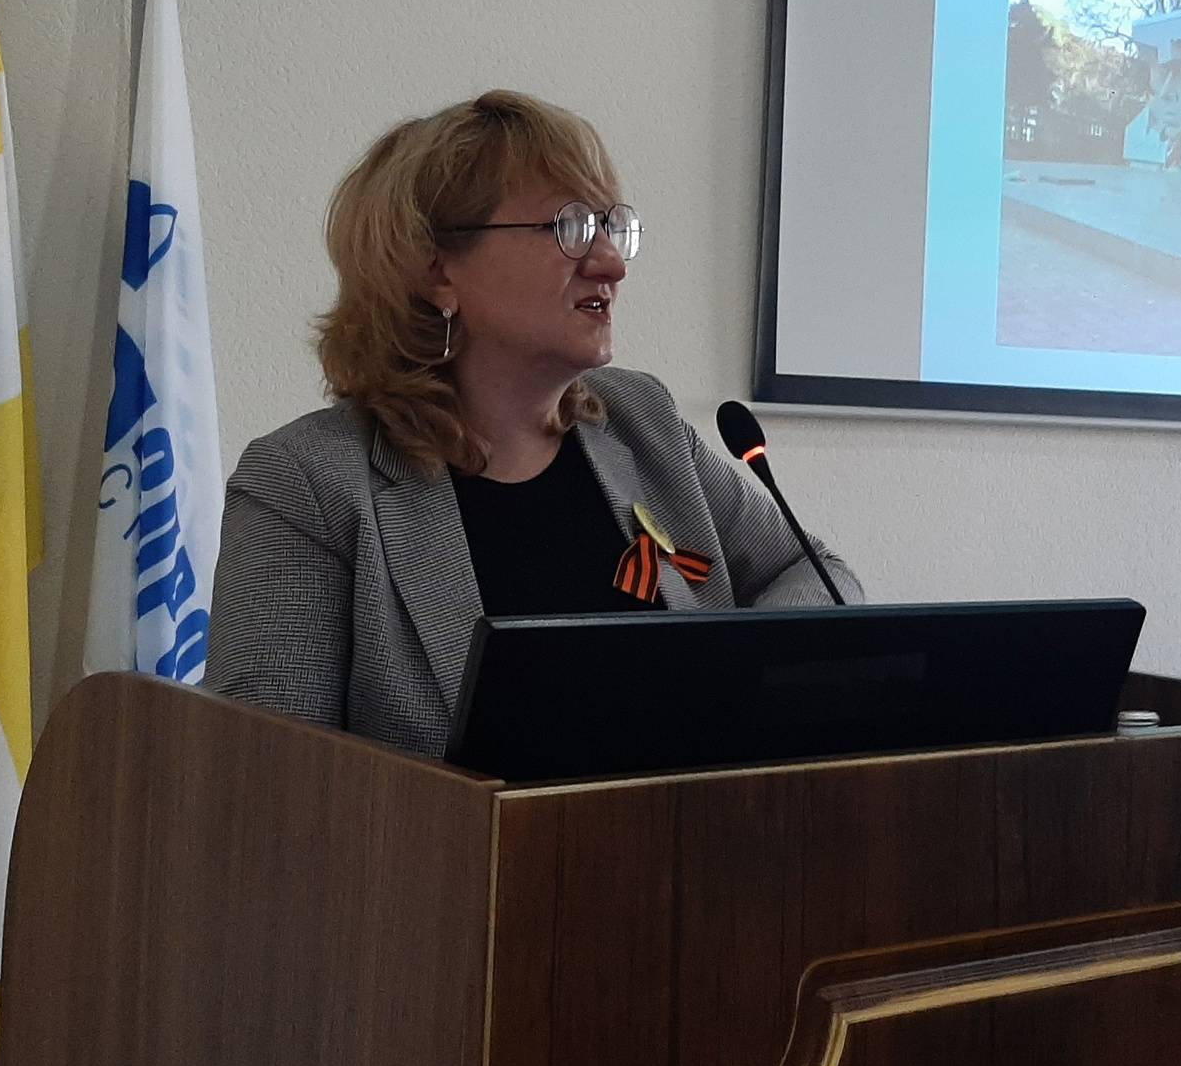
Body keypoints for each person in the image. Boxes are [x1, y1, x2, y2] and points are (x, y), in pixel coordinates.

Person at [206, 90, 862, 758]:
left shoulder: (641, 422)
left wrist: (731, 682)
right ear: (436, 269)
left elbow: (817, 574)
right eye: (569, 228)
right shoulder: (309, 485)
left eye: (611, 227)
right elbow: (270, 780)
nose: (611, 263)